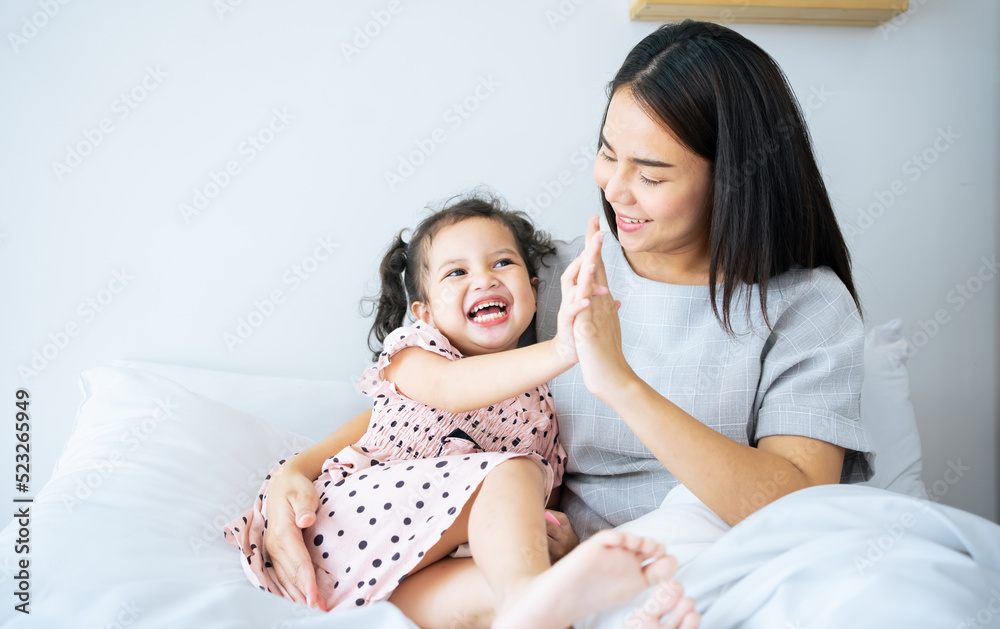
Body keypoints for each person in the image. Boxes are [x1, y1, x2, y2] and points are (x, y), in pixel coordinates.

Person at [262, 19, 871, 628]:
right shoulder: (540, 278)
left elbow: (797, 507)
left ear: (734, 178)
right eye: (607, 153)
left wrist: (620, 383)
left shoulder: (805, 308)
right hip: (550, 565)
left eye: (651, 175)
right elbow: (435, 398)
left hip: (705, 562)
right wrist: (298, 470)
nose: (615, 189)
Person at [223, 194, 700, 628]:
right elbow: (452, 390)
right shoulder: (417, 353)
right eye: (456, 272)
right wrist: (564, 347)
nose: (485, 278)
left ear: (534, 290)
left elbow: (530, 515)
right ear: (425, 312)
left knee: (513, 594)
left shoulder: (543, 411)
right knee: (514, 473)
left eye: (503, 262)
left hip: (385, 587)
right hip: (351, 528)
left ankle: (572, 610)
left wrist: (560, 540)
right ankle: (530, 593)